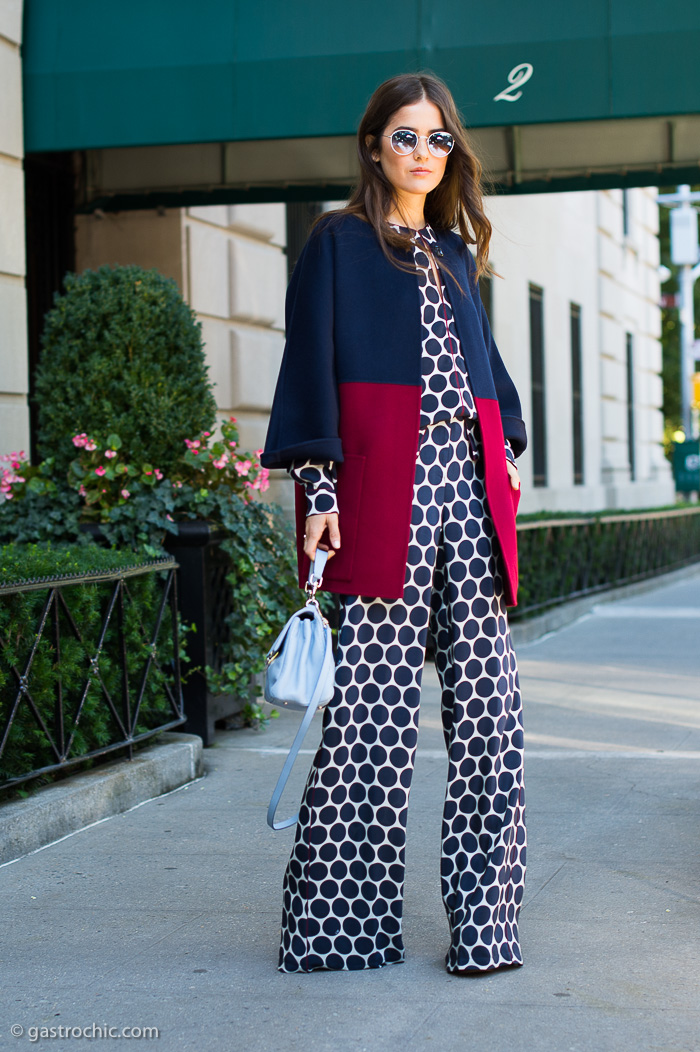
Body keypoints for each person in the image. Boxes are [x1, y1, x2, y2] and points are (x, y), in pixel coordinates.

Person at [261, 72, 527, 976]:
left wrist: (509, 453)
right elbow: (311, 373)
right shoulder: (337, 242)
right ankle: (341, 930)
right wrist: (321, 494)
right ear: (375, 144)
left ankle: (486, 928)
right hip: (384, 496)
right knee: (372, 722)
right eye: (406, 136)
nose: (423, 152)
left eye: (439, 138)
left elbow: (486, 367)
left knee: (492, 717)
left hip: (470, 493)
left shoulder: (454, 252)